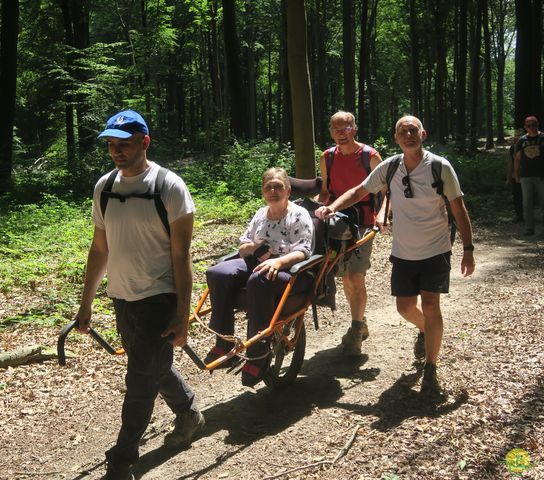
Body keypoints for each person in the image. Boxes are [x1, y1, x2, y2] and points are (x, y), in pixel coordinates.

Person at [74, 109, 204, 480]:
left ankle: (122, 461)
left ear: (144, 142)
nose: (117, 151)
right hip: (122, 298)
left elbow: (182, 255)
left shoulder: (169, 187)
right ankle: (189, 412)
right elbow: (100, 249)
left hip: (160, 297)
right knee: (150, 366)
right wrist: (86, 304)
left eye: (125, 144)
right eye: (112, 145)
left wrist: (182, 315)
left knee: (139, 381)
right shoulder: (105, 188)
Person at [317, 115, 475, 401]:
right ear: (396, 138)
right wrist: (332, 207)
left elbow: (458, 208)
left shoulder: (440, 167)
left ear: (423, 134)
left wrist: (468, 248)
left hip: (436, 249)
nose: (409, 134)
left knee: (430, 303)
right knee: (404, 308)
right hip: (403, 251)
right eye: (403, 131)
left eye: (413, 130)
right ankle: (428, 332)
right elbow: (358, 191)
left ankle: (430, 368)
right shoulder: (390, 166)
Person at [203, 168, 313, 387]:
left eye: (278, 186)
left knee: (258, 279)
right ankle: (224, 343)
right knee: (217, 273)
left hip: (291, 269)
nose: (273, 191)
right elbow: (243, 247)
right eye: (268, 187)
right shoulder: (261, 214)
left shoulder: (298, 214)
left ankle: (258, 353)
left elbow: (304, 250)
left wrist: (277, 261)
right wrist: (253, 247)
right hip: (256, 263)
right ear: (263, 191)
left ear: (288, 190)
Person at [314, 111, 384, 356]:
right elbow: (325, 191)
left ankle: (355, 329)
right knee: (344, 277)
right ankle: (360, 321)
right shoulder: (327, 157)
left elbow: (387, 190)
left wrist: (383, 215)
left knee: (355, 277)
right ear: (330, 131)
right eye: (336, 129)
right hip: (336, 222)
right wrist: (316, 206)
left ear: (355, 129)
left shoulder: (370, 156)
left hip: (363, 221)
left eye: (346, 128)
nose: (341, 133)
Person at [514, 115, 544, 236]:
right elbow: (517, 159)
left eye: (534, 124)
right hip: (525, 176)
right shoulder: (521, 141)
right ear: (525, 127)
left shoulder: (543, 138)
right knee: (527, 202)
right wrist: (516, 174)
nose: (531, 127)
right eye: (528, 125)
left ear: (538, 125)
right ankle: (529, 228)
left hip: (542, 175)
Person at [506, 135, 523, 223]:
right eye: (516, 136)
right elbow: (510, 163)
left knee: (527, 196)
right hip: (515, 176)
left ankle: (526, 215)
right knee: (517, 196)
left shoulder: (526, 146)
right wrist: (508, 178)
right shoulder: (512, 148)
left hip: (526, 176)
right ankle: (519, 215)